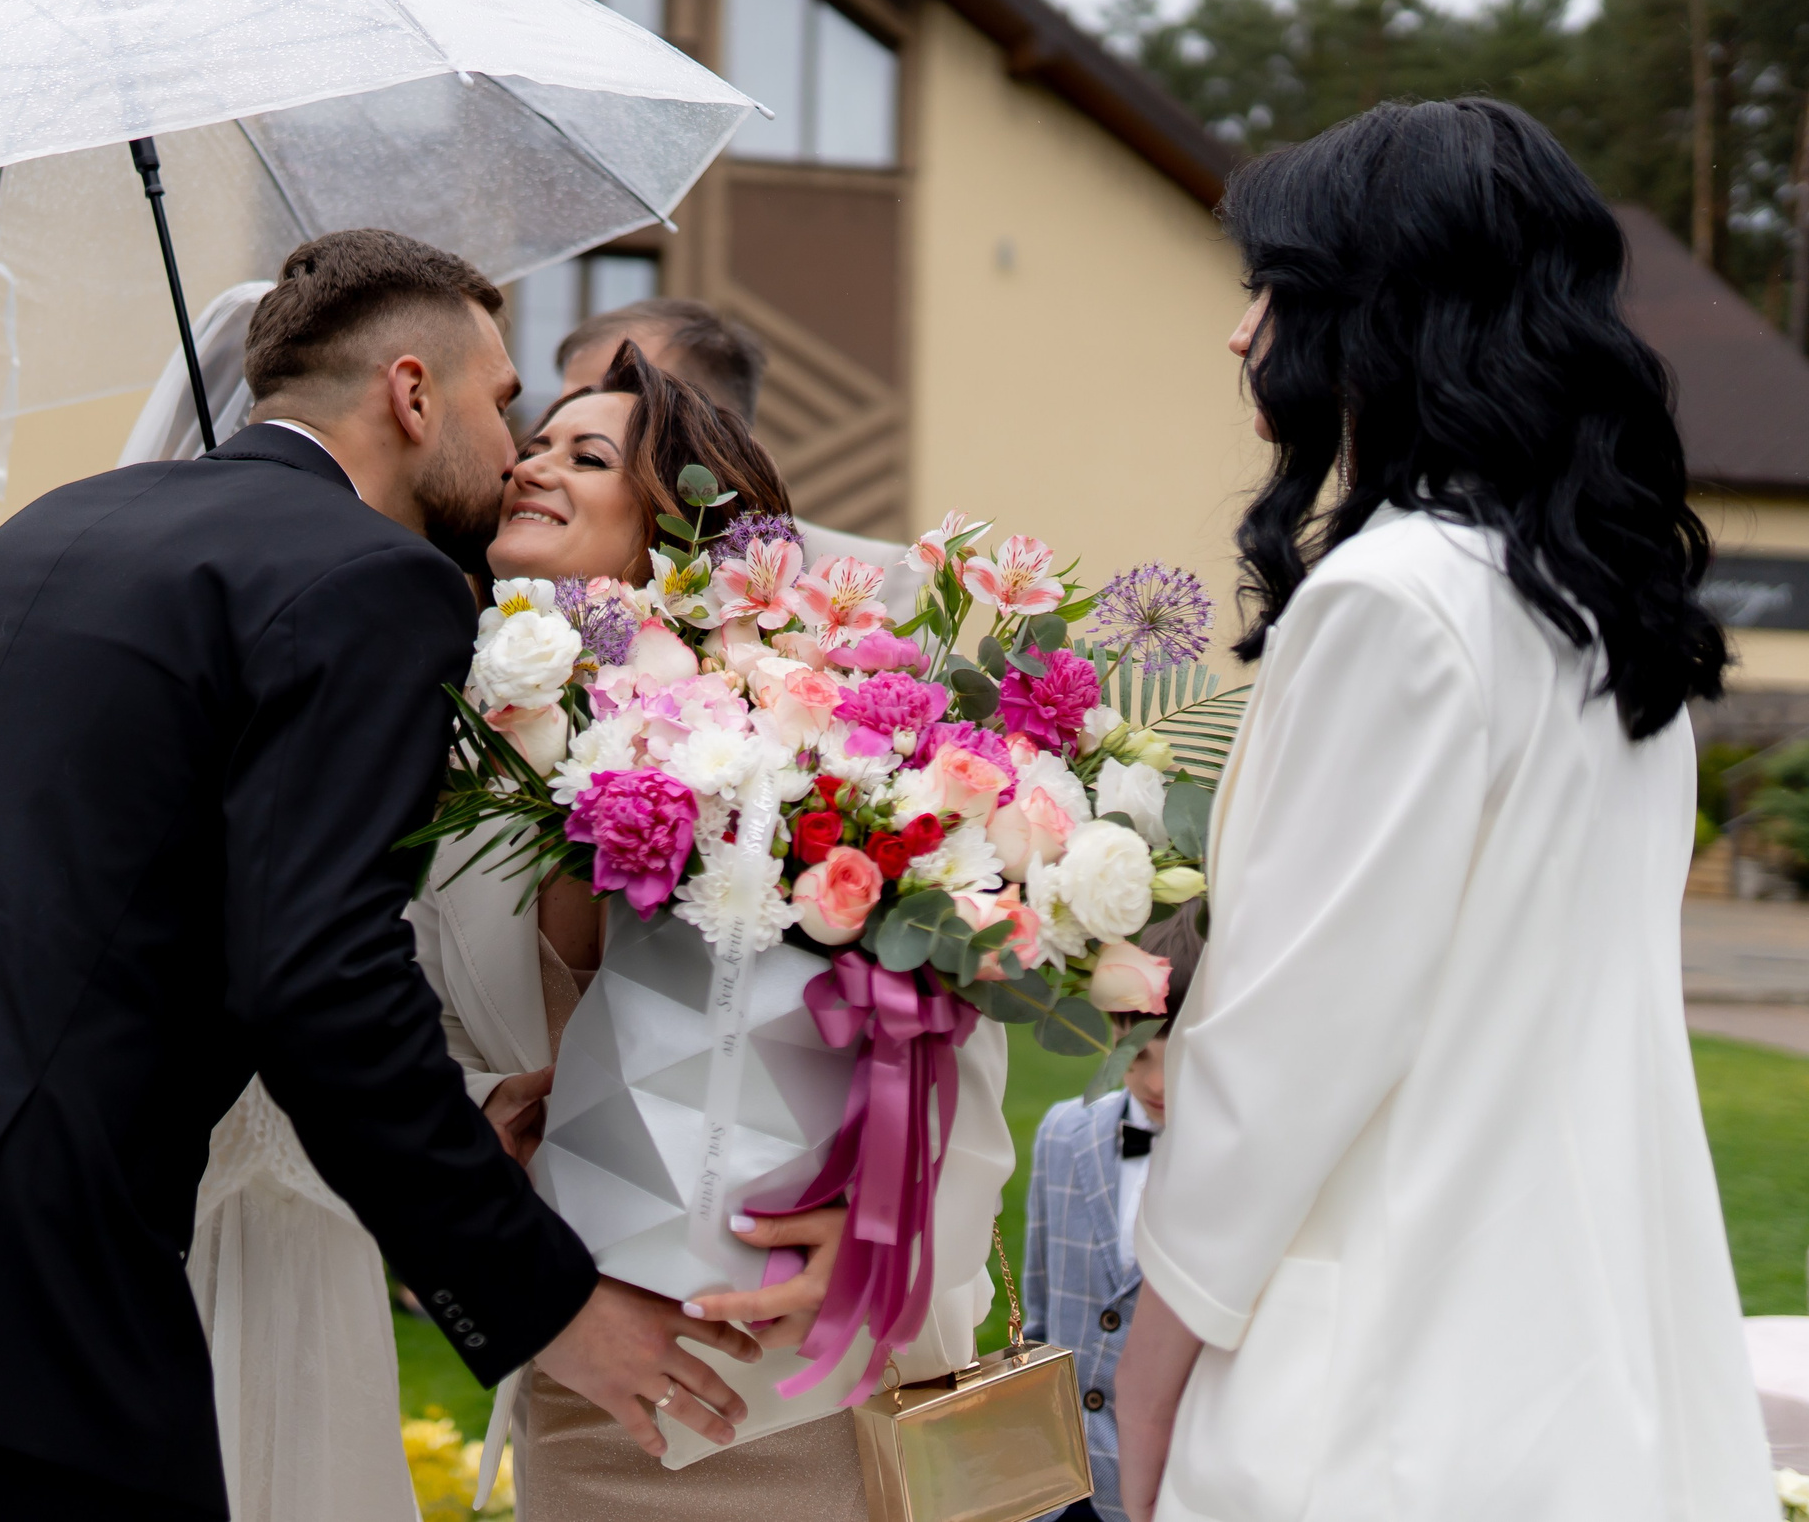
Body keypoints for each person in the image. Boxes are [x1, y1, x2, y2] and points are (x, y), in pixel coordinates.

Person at [0, 229, 760, 1522]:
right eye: (501, 398)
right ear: (413, 393)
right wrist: (547, 1298)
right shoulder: (373, 581)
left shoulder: (49, 528)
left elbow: (44, 878)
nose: (514, 443)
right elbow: (319, 972)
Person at [1112, 100, 1770, 1522]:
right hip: (1603, 1365)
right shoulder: (1605, 618)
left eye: (1272, 290)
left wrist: (1149, 1375)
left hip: (1383, 1387)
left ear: (1379, 305)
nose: (1243, 334)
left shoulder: (1391, 603)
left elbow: (1282, 1051)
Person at [412, 342, 1012, 1522]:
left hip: (804, 1379)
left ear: (681, 527)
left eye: (584, 456)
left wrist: (883, 1238)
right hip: (590, 1385)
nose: (531, 468)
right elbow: (400, 1016)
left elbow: (951, 1057)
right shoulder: (453, 769)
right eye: (531, 446)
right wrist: (486, 1108)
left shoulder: (810, 755)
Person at [552, 298, 920, 613]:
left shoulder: (883, 578)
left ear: (711, 425)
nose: (572, 420)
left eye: (626, 394)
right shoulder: (537, 569)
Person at [1019, 908, 1201, 1522]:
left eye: (1179, 1059)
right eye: (1137, 1053)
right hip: (1062, 1480)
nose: (1155, 1082)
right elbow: (1040, 1307)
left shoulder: (1243, 1173)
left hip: (1170, 1487)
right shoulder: (1064, 1134)